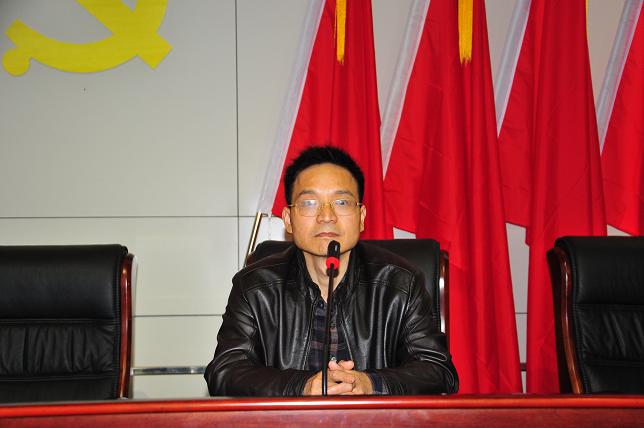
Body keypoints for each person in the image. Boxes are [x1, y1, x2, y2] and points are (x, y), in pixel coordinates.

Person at [204, 146, 458, 396]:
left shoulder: (401, 283)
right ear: (288, 219)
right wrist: (303, 387)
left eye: (341, 202)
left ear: (361, 216)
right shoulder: (254, 286)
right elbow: (225, 371)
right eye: (309, 202)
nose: (327, 216)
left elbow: (437, 371)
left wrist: (369, 384)